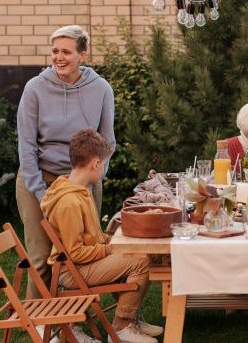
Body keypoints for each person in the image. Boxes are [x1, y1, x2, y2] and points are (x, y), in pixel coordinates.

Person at [16, 25, 116, 303]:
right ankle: (38, 319)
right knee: (40, 257)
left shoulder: (101, 89)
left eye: (66, 52)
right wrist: (41, 192)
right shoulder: (35, 88)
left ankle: (75, 318)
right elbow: (26, 146)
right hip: (39, 177)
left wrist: (93, 178)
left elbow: (108, 142)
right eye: (55, 51)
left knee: (83, 253)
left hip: (84, 180)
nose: (59, 58)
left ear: (82, 55)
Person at [41, 129, 163, 343]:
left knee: (143, 252)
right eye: (104, 164)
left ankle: (130, 318)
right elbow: (75, 252)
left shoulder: (81, 191)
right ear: (95, 164)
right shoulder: (69, 202)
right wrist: (110, 249)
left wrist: (110, 241)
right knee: (140, 261)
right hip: (71, 271)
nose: (104, 170)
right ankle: (122, 326)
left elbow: (92, 237)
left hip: (82, 264)